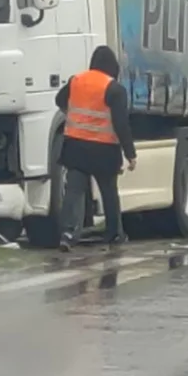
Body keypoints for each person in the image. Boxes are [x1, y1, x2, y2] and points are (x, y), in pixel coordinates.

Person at [55, 45, 137, 252]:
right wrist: (130, 154)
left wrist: (71, 114)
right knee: (109, 192)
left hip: (75, 147)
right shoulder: (114, 89)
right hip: (104, 150)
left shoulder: (76, 81)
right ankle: (113, 233)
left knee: (73, 193)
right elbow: (121, 124)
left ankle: (67, 234)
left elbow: (59, 100)